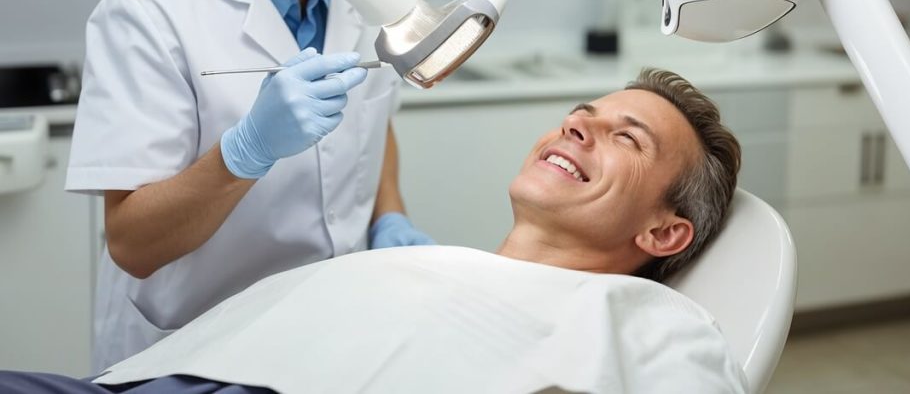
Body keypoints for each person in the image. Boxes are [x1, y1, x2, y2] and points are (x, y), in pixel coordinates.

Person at [10, 68, 746, 393]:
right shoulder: (442, 267)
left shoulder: (647, 321)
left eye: (627, 137)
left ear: (664, 234)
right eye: (582, 114)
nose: (577, 126)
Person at [64, 0, 436, 371]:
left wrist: (389, 215)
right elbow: (132, 244)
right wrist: (244, 153)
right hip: (193, 350)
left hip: (330, 331)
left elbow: (371, 121)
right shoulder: (148, 15)